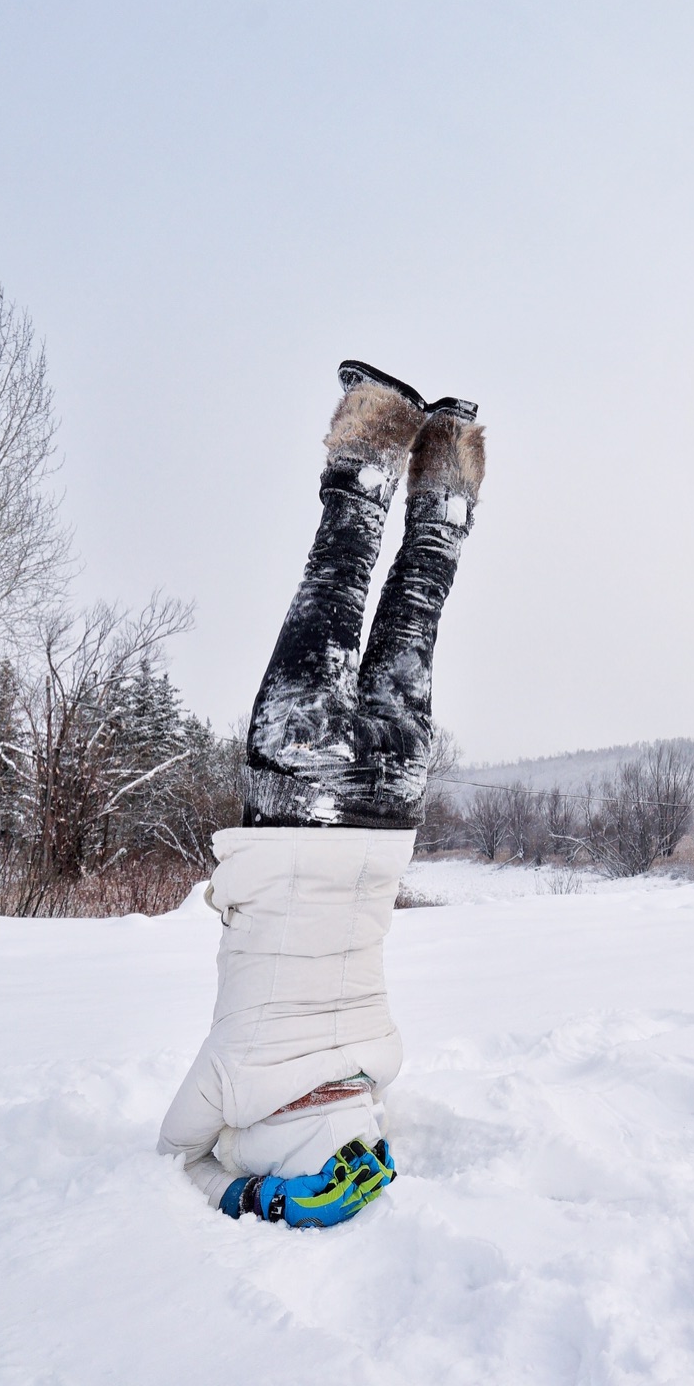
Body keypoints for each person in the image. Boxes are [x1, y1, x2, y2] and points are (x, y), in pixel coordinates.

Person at [157, 361, 485, 1226]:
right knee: (337, 580)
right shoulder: (233, 1073)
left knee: (417, 609)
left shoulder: (384, 1056)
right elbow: (175, 1150)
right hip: (302, 792)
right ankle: (378, 424)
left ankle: (449, 457)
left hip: (391, 800)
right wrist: (249, 1190)